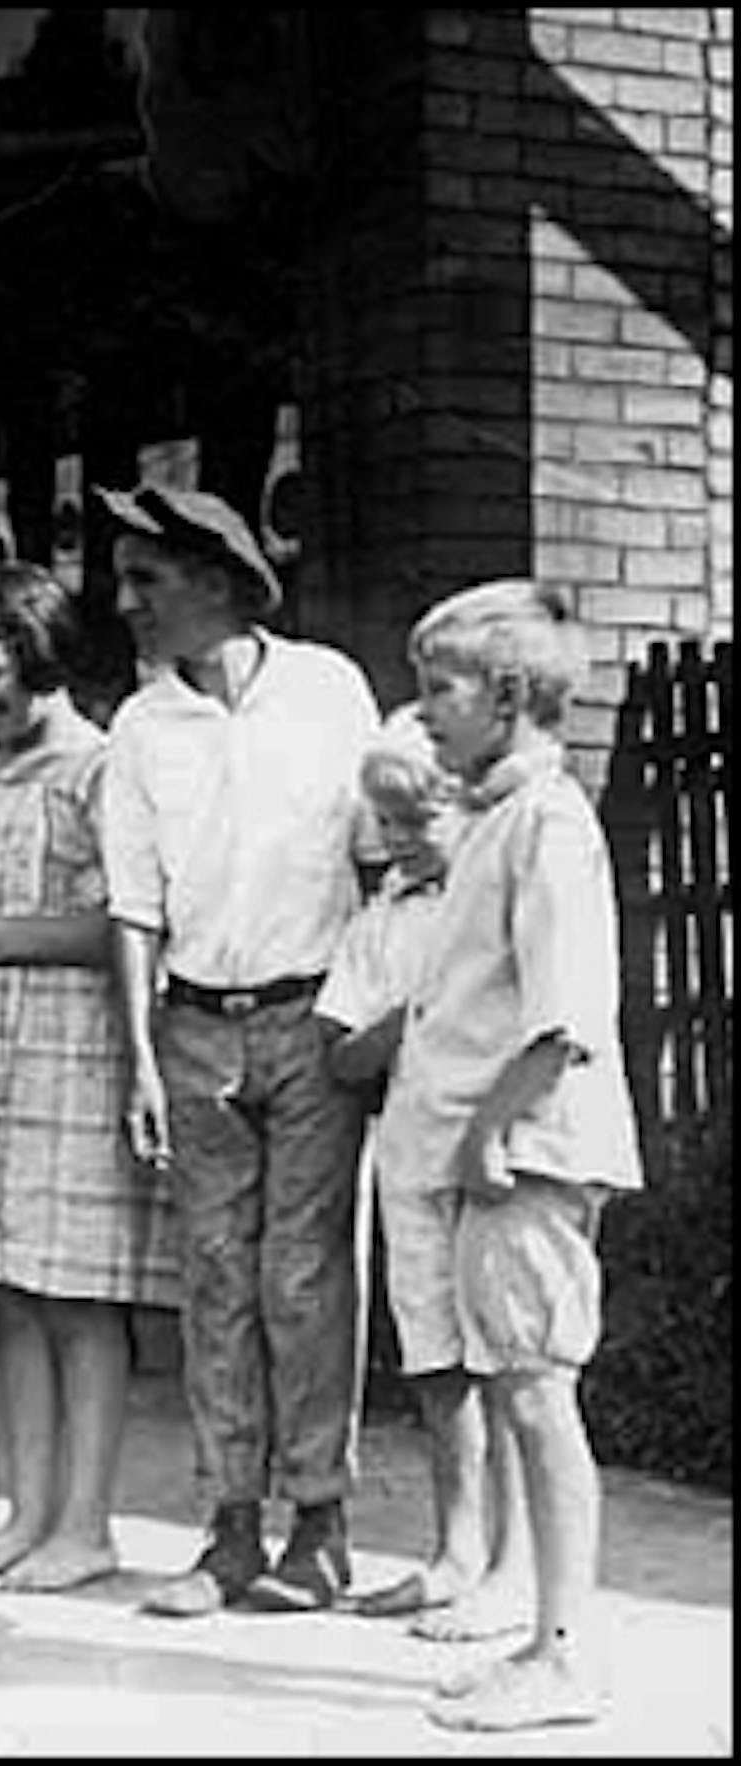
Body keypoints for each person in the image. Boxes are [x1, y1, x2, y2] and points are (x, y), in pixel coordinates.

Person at [96, 483, 384, 1617]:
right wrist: (140, 1062)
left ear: (219, 579)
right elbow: (133, 906)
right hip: (194, 1026)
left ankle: (320, 1525)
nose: (127, 605)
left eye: (146, 582)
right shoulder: (139, 725)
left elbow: (379, 852)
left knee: (305, 1275)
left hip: (311, 1018)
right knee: (214, 1278)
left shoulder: (329, 690)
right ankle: (228, 1530)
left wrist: (368, 1013)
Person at [0, 560, 181, 1592]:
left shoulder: (100, 769)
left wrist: (12, 936)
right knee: (11, 1292)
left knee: (79, 1298)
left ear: (39, 652)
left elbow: (141, 920)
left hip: (71, 1054)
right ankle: (26, 1512)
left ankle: (87, 1521)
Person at [392, 579, 641, 1732]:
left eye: (438, 687)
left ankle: (565, 1650)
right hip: (491, 1149)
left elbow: (565, 1015)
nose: (424, 709)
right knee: (516, 1382)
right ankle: (534, 1625)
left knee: (541, 1393)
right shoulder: (495, 816)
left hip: (529, 1148)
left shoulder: (549, 822)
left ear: (505, 694)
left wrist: (490, 1129)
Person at [318, 718, 533, 1639]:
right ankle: (453, 1553)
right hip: (409, 1158)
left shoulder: (493, 902)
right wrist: (409, 1022)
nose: (402, 841)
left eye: (420, 819)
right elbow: (340, 1056)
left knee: (507, 1362)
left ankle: (512, 1568)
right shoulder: (385, 919)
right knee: (438, 1363)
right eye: (390, 825)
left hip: (491, 1159)